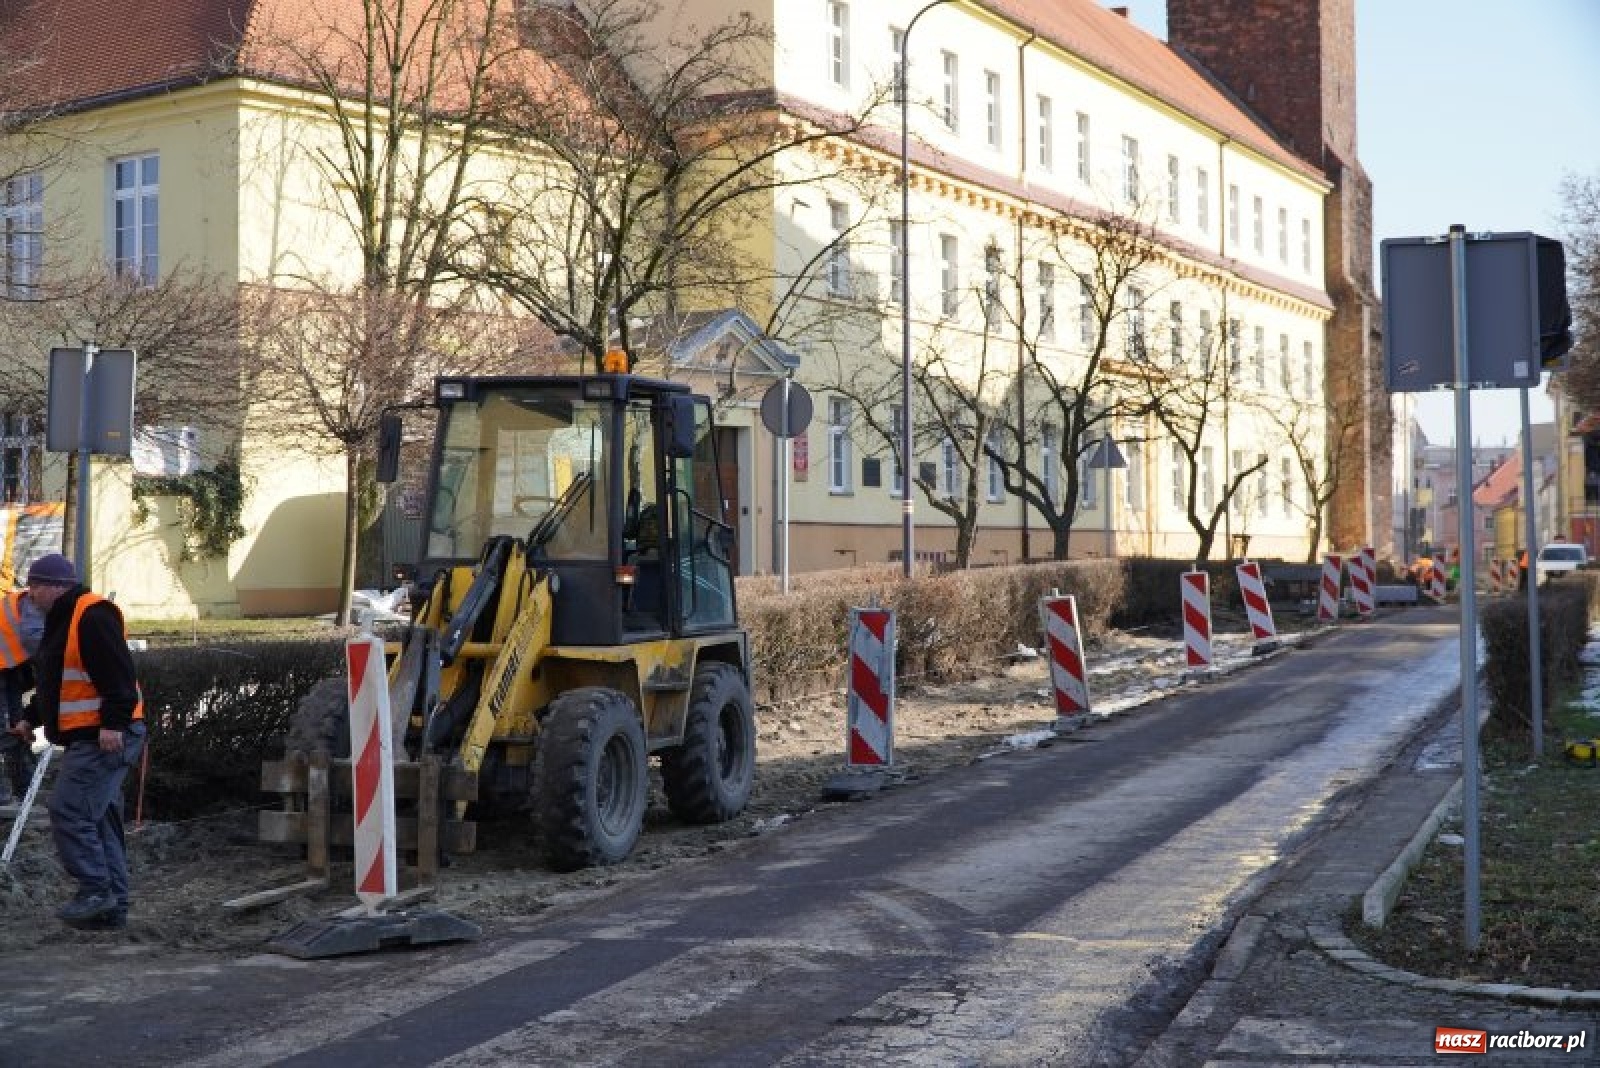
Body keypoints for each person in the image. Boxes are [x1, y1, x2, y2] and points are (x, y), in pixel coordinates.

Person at [12, 553, 145, 930]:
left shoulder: (91, 615)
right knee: (100, 820)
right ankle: (112, 908)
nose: (31, 594)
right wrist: (31, 719)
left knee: (69, 810)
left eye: (35, 586)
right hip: (94, 735)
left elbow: (120, 677)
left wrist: (114, 725)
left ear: (54, 586)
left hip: (104, 737)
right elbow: (59, 684)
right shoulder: (64, 620)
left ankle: (94, 890)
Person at [0, 585, 44, 805]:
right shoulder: (34, 605)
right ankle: (9, 794)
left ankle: (25, 789)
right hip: (7, 666)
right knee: (5, 731)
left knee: (17, 729)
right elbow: (38, 645)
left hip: (9, 667)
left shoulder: (33, 601)